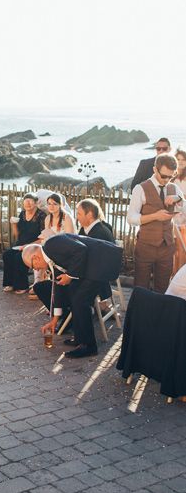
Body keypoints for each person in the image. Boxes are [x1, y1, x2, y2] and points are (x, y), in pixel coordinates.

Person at [23, 234, 123, 358]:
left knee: (79, 300)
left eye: (33, 266)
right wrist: (55, 319)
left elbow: (81, 249)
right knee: (74, 296)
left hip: (103, 262)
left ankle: (89, 346)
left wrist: (69, 276)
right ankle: (80, 339)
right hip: (89, 266)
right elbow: (58, 287)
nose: (36, 269)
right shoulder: (50, 258)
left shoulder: (52, 244)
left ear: (36, 257)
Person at [127, 153, 186, 293]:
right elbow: (131, 218)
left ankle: (160, 315)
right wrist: (155, 216)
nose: (166, 180)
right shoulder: (140, 188)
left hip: (167, 246)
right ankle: (140, 314)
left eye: (170, 176)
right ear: (155, 169)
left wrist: (178, 199)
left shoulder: (174, 189)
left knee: (164, 288)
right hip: (145, 246)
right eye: (164, 176)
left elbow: (184, 208)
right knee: (141, 287)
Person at [2, 193, 46, 293]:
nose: (28, 204)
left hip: (35, 245)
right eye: (26, 202)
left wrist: (28, 245)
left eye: (30, 201)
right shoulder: (22, 214)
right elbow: (17, 235)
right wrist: (13, 224)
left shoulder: (41, 215)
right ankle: (10, 283)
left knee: (19, 257)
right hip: (21, 243)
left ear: (35, 203)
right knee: (7, 255)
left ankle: (22, 286)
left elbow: (43, 237)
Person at [172, 149, 186, 273]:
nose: (181, 162)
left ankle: (179, 275)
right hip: (172, 216)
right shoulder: (171, 178)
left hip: (183, 217)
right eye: (178, 159)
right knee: (172, 249)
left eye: (183, 159)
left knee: (182, 249)